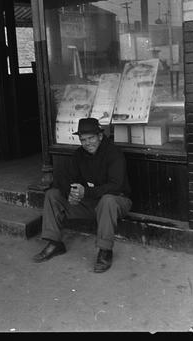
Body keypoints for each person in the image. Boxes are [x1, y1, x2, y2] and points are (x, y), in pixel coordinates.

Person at [33, 117, 132, 273]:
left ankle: (105, 251)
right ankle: (54, 243)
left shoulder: (114, 153)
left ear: (100, 136)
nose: (87, 143)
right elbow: (65, 179)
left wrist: (86, 191)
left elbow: (116, 186)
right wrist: (71, 193)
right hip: (90, 203)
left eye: (91, 138)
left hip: (117, 201)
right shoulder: (79, 154)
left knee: (107, 200)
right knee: (52, 194)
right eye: (83, 140)